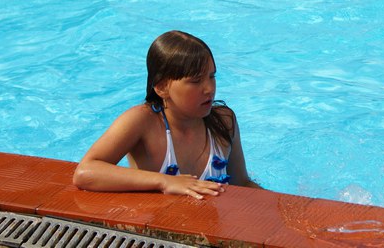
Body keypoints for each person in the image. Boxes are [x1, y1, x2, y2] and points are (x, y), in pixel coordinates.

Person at [73, 30, 260, 198]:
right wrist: (164, 181)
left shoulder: (223, 121)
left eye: (212, 76)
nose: (209, 88)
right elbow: (85, 172)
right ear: (162, 87)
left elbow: (241, 183)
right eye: (196, 81)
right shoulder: (142, 122)